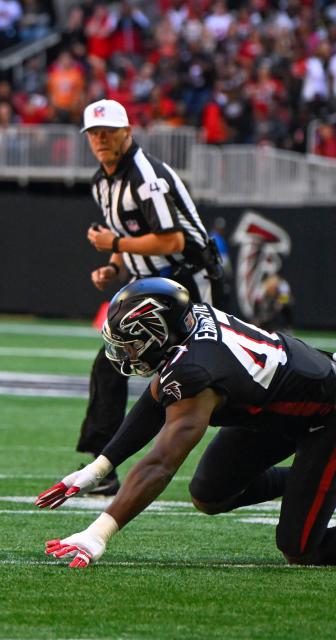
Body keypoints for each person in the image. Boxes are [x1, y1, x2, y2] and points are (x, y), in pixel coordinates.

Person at [37, 278, 336, 568]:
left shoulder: (195, 370)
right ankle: (312, 482)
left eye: (130, 344)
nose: (125, 354)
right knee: (210, 493)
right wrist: (99, 468)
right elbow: (155, 402)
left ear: (157, 333)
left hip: (326, 416)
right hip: (273, 409)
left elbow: (160, 464)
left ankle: (318, 482)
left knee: (300, 550)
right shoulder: (189, 327)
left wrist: (97, 533)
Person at [76, 99, 222, 496]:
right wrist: (114, 264)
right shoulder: (102, 182)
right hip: (149, 288)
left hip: (185, 282)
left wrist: (116, 242)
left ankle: (251, 450)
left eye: (109, 131)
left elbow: (172, 238)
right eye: (95, 133)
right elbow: (126, 233)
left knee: (209, 376)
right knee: (112, 363)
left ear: (128, 132)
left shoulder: (146, 176)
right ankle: (102, 464)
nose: (101, 139)